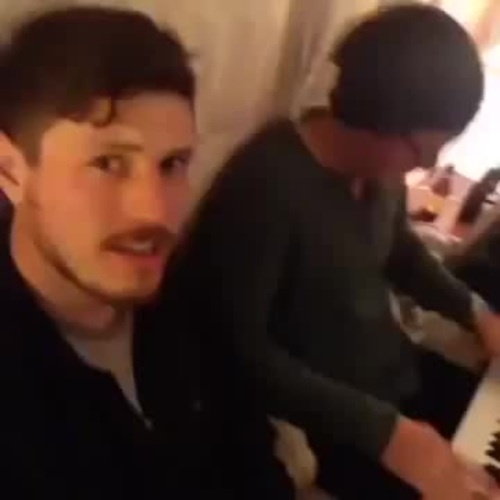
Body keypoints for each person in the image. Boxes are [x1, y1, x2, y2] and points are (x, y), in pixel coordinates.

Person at [163, 5, 500, 499]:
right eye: (419, 148)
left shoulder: (379, 173)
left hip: (397, 384)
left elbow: (401, 252)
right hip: (339, 426)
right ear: (374, 114)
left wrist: (478, 313)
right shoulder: (267, 185)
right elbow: (240, 351)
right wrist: (385, 434)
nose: (427, 163)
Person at [0, 7, 294, 499]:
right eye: (108, 163)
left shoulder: (187, 293)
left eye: (172, 164)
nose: (156, 211)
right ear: (11, 172)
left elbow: (255, 463)